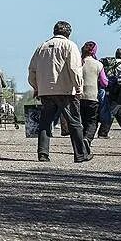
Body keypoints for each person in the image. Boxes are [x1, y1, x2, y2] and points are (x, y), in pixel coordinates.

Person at [28, 21, 90, 163]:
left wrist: (36, 87)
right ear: (68, 33)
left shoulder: (41, 47)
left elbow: (32, 70)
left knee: (45, 122)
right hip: (66, 90)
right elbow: (74, 69)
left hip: (45, 91)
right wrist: (78, 86)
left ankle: (43, 153)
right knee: (74, 122)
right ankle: (80, 154)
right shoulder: (69, 45)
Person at [97, 48, 121, 139]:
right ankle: (103, 132)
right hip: (118, 91)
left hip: (108, 89)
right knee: (112, 111)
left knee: (117, 111)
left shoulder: (110, 63)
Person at [79, 41, 107, 144]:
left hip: (79, 96)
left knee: (82, 121)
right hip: (92, 97)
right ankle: (87, 139)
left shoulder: (78, 63)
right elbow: (104, 83)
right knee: (92, 121)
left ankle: (82, 141)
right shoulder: (98, 64)